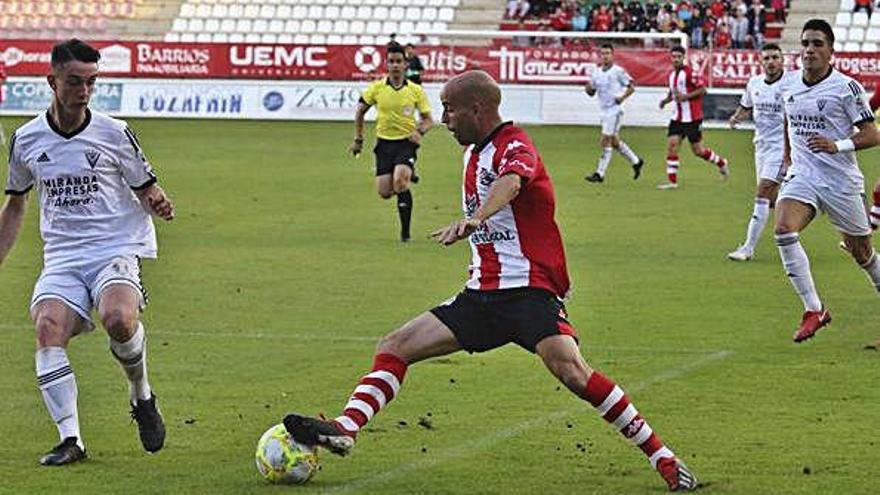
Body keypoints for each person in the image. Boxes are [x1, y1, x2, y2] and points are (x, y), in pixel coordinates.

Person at [283, 70, 699, 492]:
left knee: (573, 372)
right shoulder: (471, 152)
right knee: (394, 346)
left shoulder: (515, 143)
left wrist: (475, 218)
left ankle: (663, 457)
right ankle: (347, 428)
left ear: (477, 109)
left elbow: (513, 181)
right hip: (480, 296)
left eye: (449, 108)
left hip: (528, 293)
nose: (443, 118)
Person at [0, 40, 174, 465]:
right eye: (75, 81)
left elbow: (146, 186)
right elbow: (16, 203)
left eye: (92, 82)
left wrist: (158, 200)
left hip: (113, 248)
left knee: (118, 319)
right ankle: (71, 440)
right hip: (62, 256)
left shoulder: (115, 132)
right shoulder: (26, 140)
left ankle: (142, 396)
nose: (84, 90)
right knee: (47, 328)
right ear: (52, 81)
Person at [775, 19, 879, 343]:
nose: (810, 50)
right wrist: (788, 158)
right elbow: (787, 120)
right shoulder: (789, 85)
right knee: (783, 229)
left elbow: (871, 134)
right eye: (806, 43)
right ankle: (814, 309)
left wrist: (838, 145)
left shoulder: (846, 87)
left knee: (861, 252)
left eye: (818, 44)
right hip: (803, 176)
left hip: (840, 181)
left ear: (831, 50)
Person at [350, 42, 433, 242]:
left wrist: (419, 131)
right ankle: (407, 173)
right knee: (385, 192)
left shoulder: (415, 90)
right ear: (386, 65)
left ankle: (405, 234)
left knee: (400, 182)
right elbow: (360, 111)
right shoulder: (377, 88)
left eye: (399, 62)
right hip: (384, 144)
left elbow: (428, 119)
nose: (395, 65)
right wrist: (358, 140)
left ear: (405, 64)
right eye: (391, 62)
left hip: (406, 143)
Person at [726, 43, 786, 261]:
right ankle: (805, 208)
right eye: (767, 58)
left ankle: (748, 248)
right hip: (761, 146)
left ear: (782, 60)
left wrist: (791, 153)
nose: (771, 62)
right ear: (762, 62)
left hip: (782, 149)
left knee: (762, 193)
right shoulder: (754, 83)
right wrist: (736, 117)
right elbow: (746, 106)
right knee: (771, 199)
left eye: (775, 57)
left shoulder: (790, 85)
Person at [658, 45, 730, 189]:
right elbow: (673, 93)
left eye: (679, 56)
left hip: (692, 118)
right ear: (670, 58)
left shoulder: (691, 73)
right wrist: (666, 101)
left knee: (698, 151)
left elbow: (703, 90)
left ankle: (721, 162)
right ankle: (672, 182)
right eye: (674, 56)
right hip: (677, 118)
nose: (676, 59)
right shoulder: (672, 75)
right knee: (672, 146)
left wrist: (685, 97)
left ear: (683, 58)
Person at [584, 44, 645, 183]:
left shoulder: (618, 71)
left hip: (615, 110)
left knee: (605, 140)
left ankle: (599, 174)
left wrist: (622, 98)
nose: (605, 56)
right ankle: (636, 161)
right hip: (604, 110)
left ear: (612, 55)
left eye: (607, 53)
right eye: (603, 53)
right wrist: (588, 88)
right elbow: (591, 92)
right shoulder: (596, 72)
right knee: (615, 142)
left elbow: (631, 88)